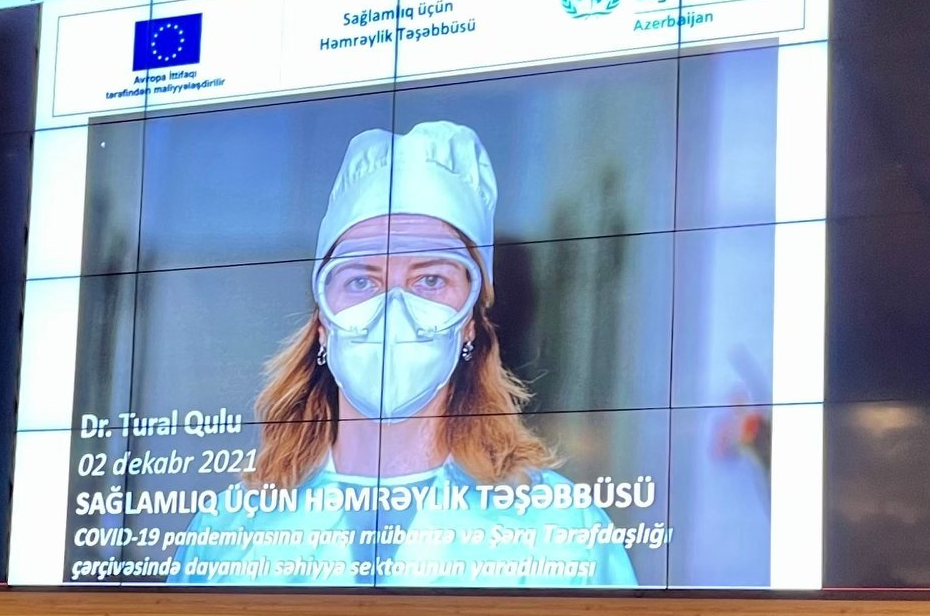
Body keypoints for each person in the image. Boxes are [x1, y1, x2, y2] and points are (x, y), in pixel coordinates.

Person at [171, 120, 637, 588]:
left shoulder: (563, 532)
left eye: (430, 280)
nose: (393, 309)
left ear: (470, 324)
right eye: (361, 280)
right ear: (323, 325)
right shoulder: (229, 532)